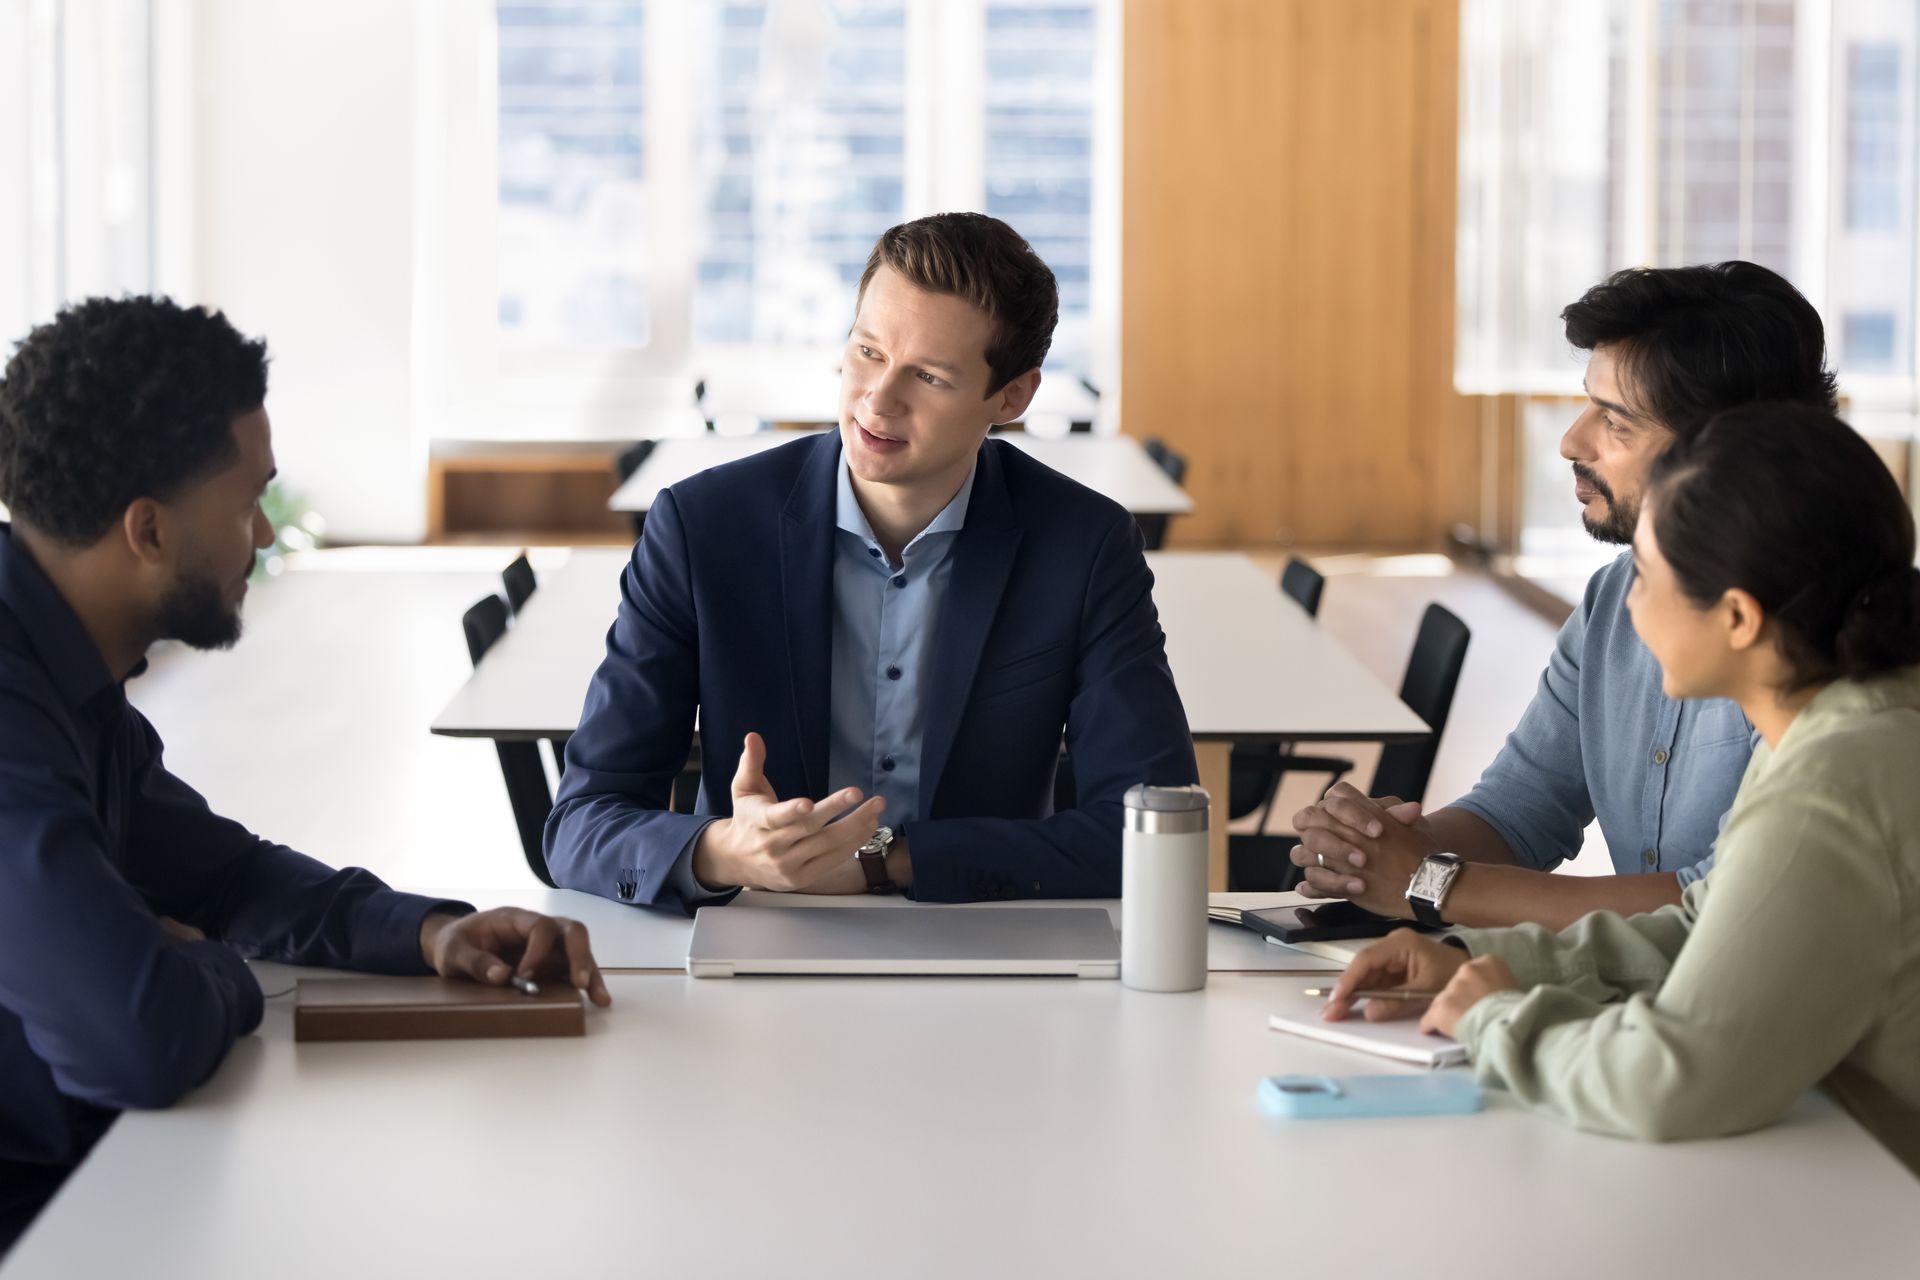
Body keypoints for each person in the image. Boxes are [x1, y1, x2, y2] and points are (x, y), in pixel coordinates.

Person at [0, 296, 612, 1253]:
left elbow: (220, 873)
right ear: (148, 532)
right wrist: (211, 966)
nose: (267, 536)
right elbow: (137, 1043)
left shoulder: (59, 668)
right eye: (246, 505)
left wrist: (432, 932)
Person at [1326, 403, 1920, 1172]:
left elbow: (1670, 1081)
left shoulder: (1830, 784)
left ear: (1738, 616)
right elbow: (1709, 926)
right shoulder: (1846, 719)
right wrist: (1482, 961)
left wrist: (1501, 1020)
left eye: (1645, 574)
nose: (1626, 602)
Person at [546, 212, 1198, 912]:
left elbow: (1152, 833)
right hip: (760, 926)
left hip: (979, 928)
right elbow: (583, 823)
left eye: (931, 377)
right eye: (868, 352)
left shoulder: (1085, 546)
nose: (878, 401)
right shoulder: (703, 528)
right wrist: (724, 852)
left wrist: (885, 865)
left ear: (1011, 397)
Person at [1291, 262, 1838, 930]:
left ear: (1724, 453)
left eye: (1615, 422)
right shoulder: (1617, 596)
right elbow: (1520, 809)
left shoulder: (1832, 647)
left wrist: (1430, 882)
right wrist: (1375, 856)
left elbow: (1722, 908)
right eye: (1587, 405)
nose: (1571, 442)